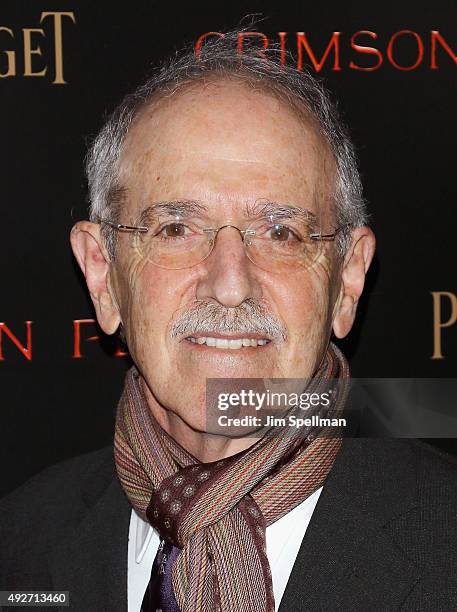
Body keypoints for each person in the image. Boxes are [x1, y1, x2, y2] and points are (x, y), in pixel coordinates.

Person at [1, 29, 456, 612]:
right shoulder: (20, 544)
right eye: (175, 229)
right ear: (103, 274)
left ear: (347, 280)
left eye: (281, 232)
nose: (231, 283)